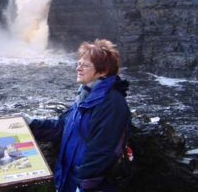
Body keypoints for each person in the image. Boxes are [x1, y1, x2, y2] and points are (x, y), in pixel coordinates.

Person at [26, 39, 131, 192]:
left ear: (103, 71)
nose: (78, 68)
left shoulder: (112, 104)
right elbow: (64, 127)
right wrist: (30, 125)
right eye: (79, 63)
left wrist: (83, 186)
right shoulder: (86, 95)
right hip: (68, 179)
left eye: (85, 65)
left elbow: (103, 152)